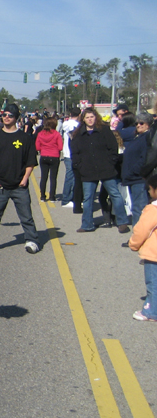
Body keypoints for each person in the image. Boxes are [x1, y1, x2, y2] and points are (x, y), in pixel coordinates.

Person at [0, 103, 41, 254]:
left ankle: (32, 240)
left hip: (19, 185)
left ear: (16, 118)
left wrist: (25, 178)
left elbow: (31, 162)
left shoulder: (25, 138)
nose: (6, 117)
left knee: (26, 216)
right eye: (4, 115)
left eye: (10, 115)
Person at [71, 108, 130, 234]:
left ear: (96, 117)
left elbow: (113, 148)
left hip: (106, 169)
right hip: (87, 170)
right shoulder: (78, 134)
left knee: (115, 194)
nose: (90, 119)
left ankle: (122, 222)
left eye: (92, 117)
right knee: (88, 198)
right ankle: (87, 224)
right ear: (83, 119)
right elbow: (75, 153)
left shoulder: (104, 130)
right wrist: (79, 166)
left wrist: (111, 162)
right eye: (87, 117)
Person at [127, 172, 157, 322]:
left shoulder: (153, 209)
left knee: (153, 284)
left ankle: (151, 312)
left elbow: (142, 230)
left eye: (150, 189)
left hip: (154, 254)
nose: (149, 192)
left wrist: (133, 244)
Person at [122, 113, 152, 226]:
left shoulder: (147, 138)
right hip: (132, 178)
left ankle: (139, 234)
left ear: (148, 124)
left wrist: (135, 171)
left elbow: (145, 158)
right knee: (136, 207)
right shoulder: (138, 137)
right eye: (136, 123)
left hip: (139, 178)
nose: (138, 125)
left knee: (139, 208)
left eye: (141, 123)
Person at [35, 116, 63, 202]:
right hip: (54, 156)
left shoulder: (40, 134)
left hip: (44, 156)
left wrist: (43, 149)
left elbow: (37, 147)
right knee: (53, 178)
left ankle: (43, 196)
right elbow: (60, 147)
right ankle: (52, 196)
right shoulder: (56, 134)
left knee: (44, 177)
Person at [60, 108, 81, 208]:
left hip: (67, 154)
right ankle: (66, 199)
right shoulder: (77, 125)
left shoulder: (65, 124)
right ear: (79, 115)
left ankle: (71, 197)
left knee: (71, 176)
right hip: (72, 154)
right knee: (71, 177)